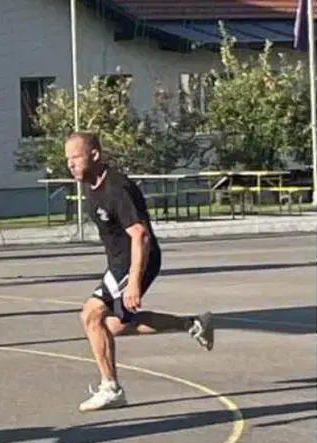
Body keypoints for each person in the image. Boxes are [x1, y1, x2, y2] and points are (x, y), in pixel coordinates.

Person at [64, 131, 214, 413]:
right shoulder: (89, 184)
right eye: (67, 159)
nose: (70, 164)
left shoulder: (117, 188)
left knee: (91, 315)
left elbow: (141, 236)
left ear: (94, 155)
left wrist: (133, 281)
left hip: (136, 258)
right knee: (115, 326)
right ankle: (193, 324)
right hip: (120, 261)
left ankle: (111, 388)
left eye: (76, 157)